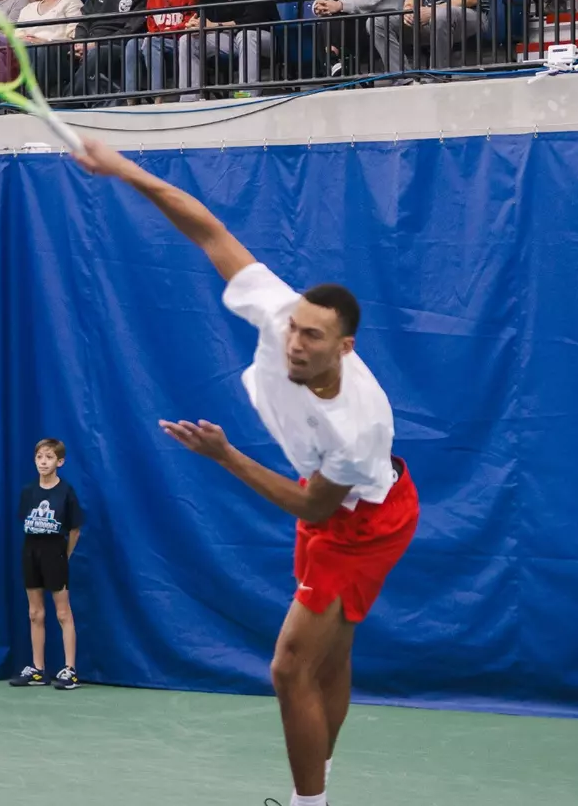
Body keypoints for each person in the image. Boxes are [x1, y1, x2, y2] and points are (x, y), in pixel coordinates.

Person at [73, 137, 420, 806]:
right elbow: (207, 227)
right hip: (326, 491)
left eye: (312, 337)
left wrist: (226, 456)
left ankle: (308, 802)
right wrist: (122, 169)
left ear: (343, 348)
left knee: (290, 668)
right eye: (294, 328)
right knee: (331, 654)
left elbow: (318, 510)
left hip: (366, 520)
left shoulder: (360, 421)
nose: (294, 341)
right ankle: (320, 771)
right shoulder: (278, 310)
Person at [6, 438, 84, 691]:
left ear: (59, 462)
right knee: (34, 613)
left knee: (63, 613)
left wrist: (65, 555)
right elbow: (26, 522)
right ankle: (39, 670)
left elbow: (75, 529)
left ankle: (70, 670)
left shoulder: (65, 491)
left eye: (49, 457)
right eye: (40, 457)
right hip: (31, 552)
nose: (43, 461)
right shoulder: (29, 492)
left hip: (55, 553)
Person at [128, 0, 199, 96]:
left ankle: (158, 97)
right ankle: (129, 99)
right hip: (163, 41)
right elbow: (152, 26)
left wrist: (166, 30)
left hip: (186, 41)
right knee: (132, 44)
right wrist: (162, 32)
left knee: (153, 41)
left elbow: (192, 19)